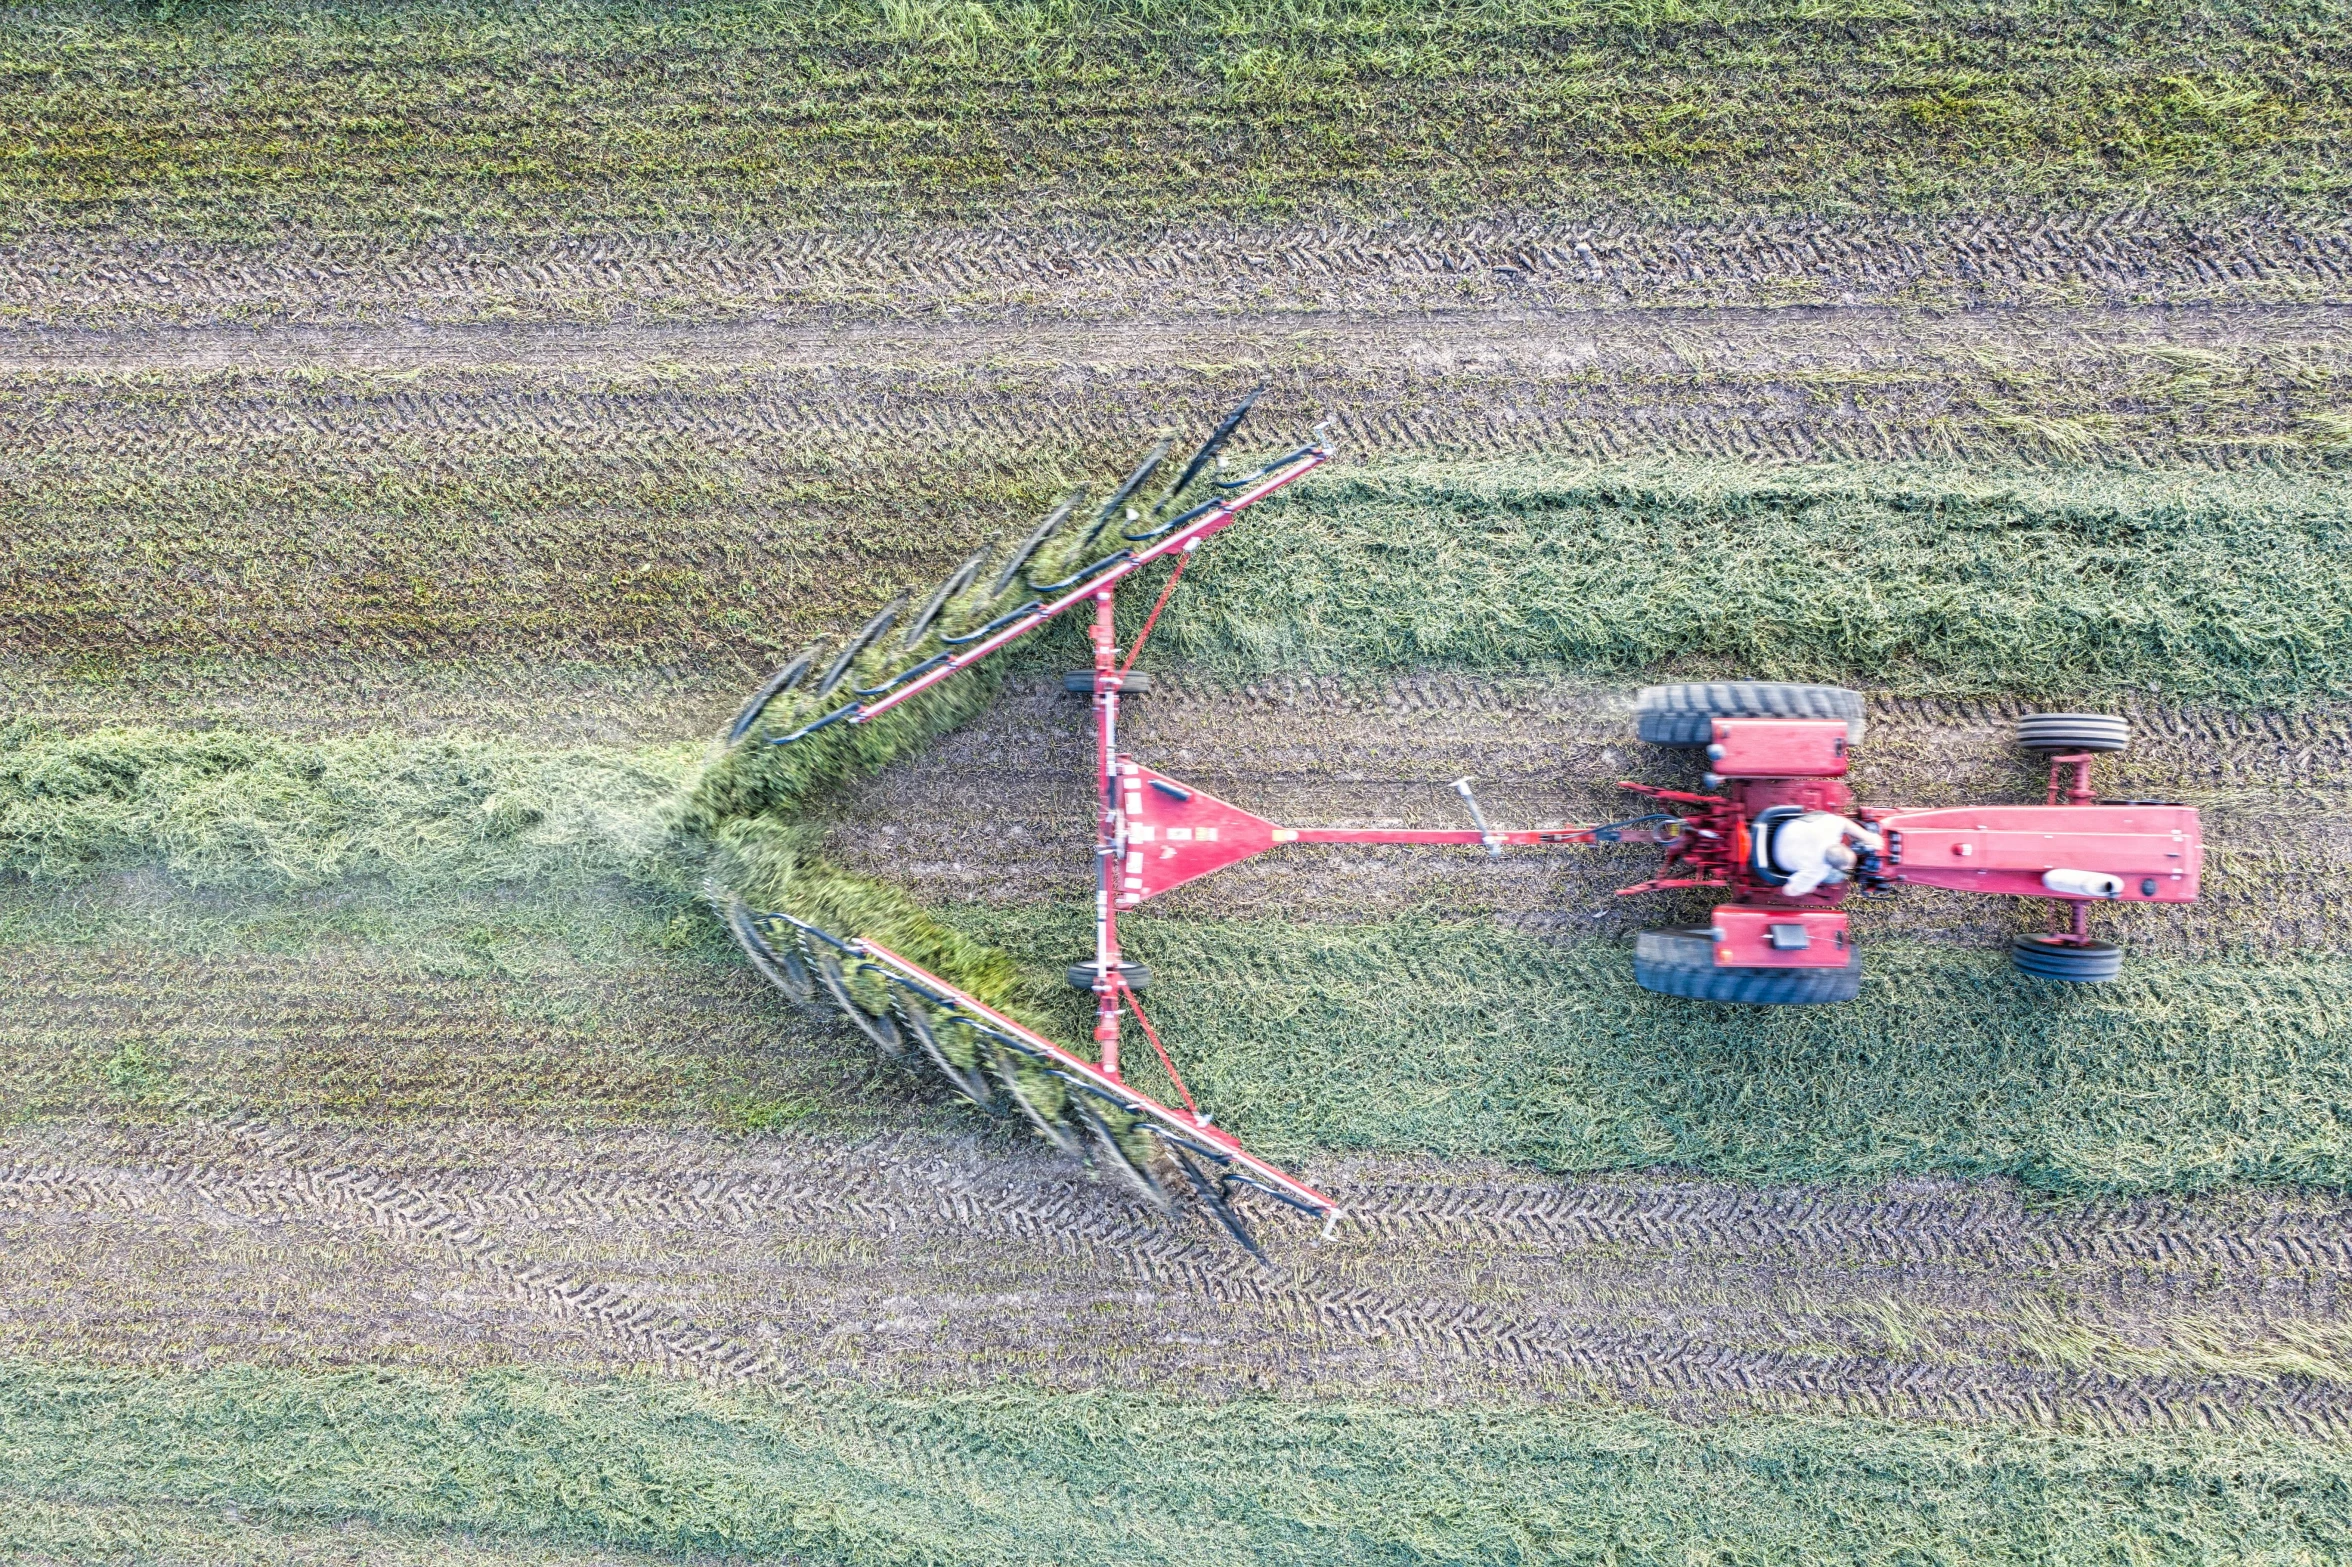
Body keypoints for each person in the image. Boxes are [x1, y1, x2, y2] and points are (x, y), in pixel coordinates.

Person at [1770, 812, 1886, 898]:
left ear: (1843, 845)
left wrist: (1868, 837)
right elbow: (1788, 891)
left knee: (1822, 816)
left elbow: (1844, 822)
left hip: (1778, 828)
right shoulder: (1816, 872)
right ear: (1833, 867)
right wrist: (1807, 887)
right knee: (1835, 877)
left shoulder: (1828, 831)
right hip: (1774, 860)